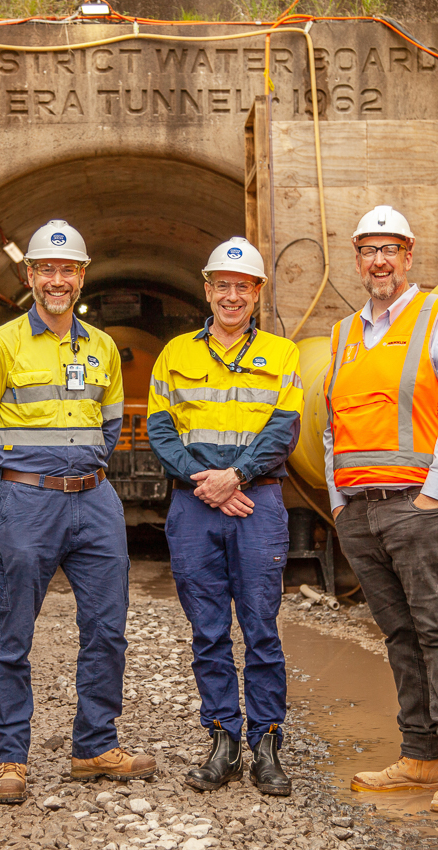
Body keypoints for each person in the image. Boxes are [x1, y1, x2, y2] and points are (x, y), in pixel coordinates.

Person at [0, 219, 156, 805]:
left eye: (67, 269)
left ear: (81, 276)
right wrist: (20, 478)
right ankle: (9, 760)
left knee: (107, 628)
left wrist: (78, 471)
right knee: (14, 631)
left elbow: (112, 424)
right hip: (28, 500)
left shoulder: (99, 348)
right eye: (47, 268)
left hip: (95, 499)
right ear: (30, 276)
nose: (57, 279)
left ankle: (94, 745)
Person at [322, 205, 438, 813]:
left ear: (409, 255)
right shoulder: (343, 335)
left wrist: (434, 493)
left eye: (391, 248)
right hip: (362, 513)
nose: (380, 260)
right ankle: (421, 756)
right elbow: (332, 426)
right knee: (400, 633)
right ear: (357, 257)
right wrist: (339, 502)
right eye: (369, 249)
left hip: (423, 508)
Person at [146, 238, 301, 796]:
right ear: (207, 290)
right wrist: (204, 482)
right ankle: (223, 740)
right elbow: (160, 429)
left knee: (261, 628)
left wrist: (233, 477)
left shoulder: (282, 356)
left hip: (256, 503)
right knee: (208, 630)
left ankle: (266, 745)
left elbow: (284, 429)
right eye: (222, 285)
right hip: (194, 506)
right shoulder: (174, 354)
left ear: (257, 294)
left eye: (244, 286)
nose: (232, 295)